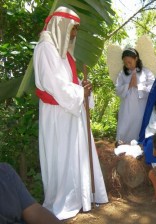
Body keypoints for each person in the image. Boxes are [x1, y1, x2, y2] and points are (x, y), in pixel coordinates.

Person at [33, 7, 108, 220]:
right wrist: (78, 92)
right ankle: (63, 200)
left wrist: (82, 88)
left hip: (69, 111)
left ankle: (79, 198)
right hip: (56, 114)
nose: (75, 33)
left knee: (73, 155)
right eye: (73, 29)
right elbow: (52, 83)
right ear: (62, 26)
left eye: (75, 29)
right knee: (61, 156)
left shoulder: (63, 51)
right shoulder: (46, 48)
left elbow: (67, 81)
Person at [115, 47, 155, 144]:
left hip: (141, 106)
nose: (128, 65)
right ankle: (121, 143)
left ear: (136, 59)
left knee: (138, 125)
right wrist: (128, 86)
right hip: (126, 106)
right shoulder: (122, 74)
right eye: (125, 63)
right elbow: (117, 89)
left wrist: (138, 86)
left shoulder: (146, 72)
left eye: (130, 62)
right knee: (124, 124)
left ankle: (138, 145)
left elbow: (152, 89)